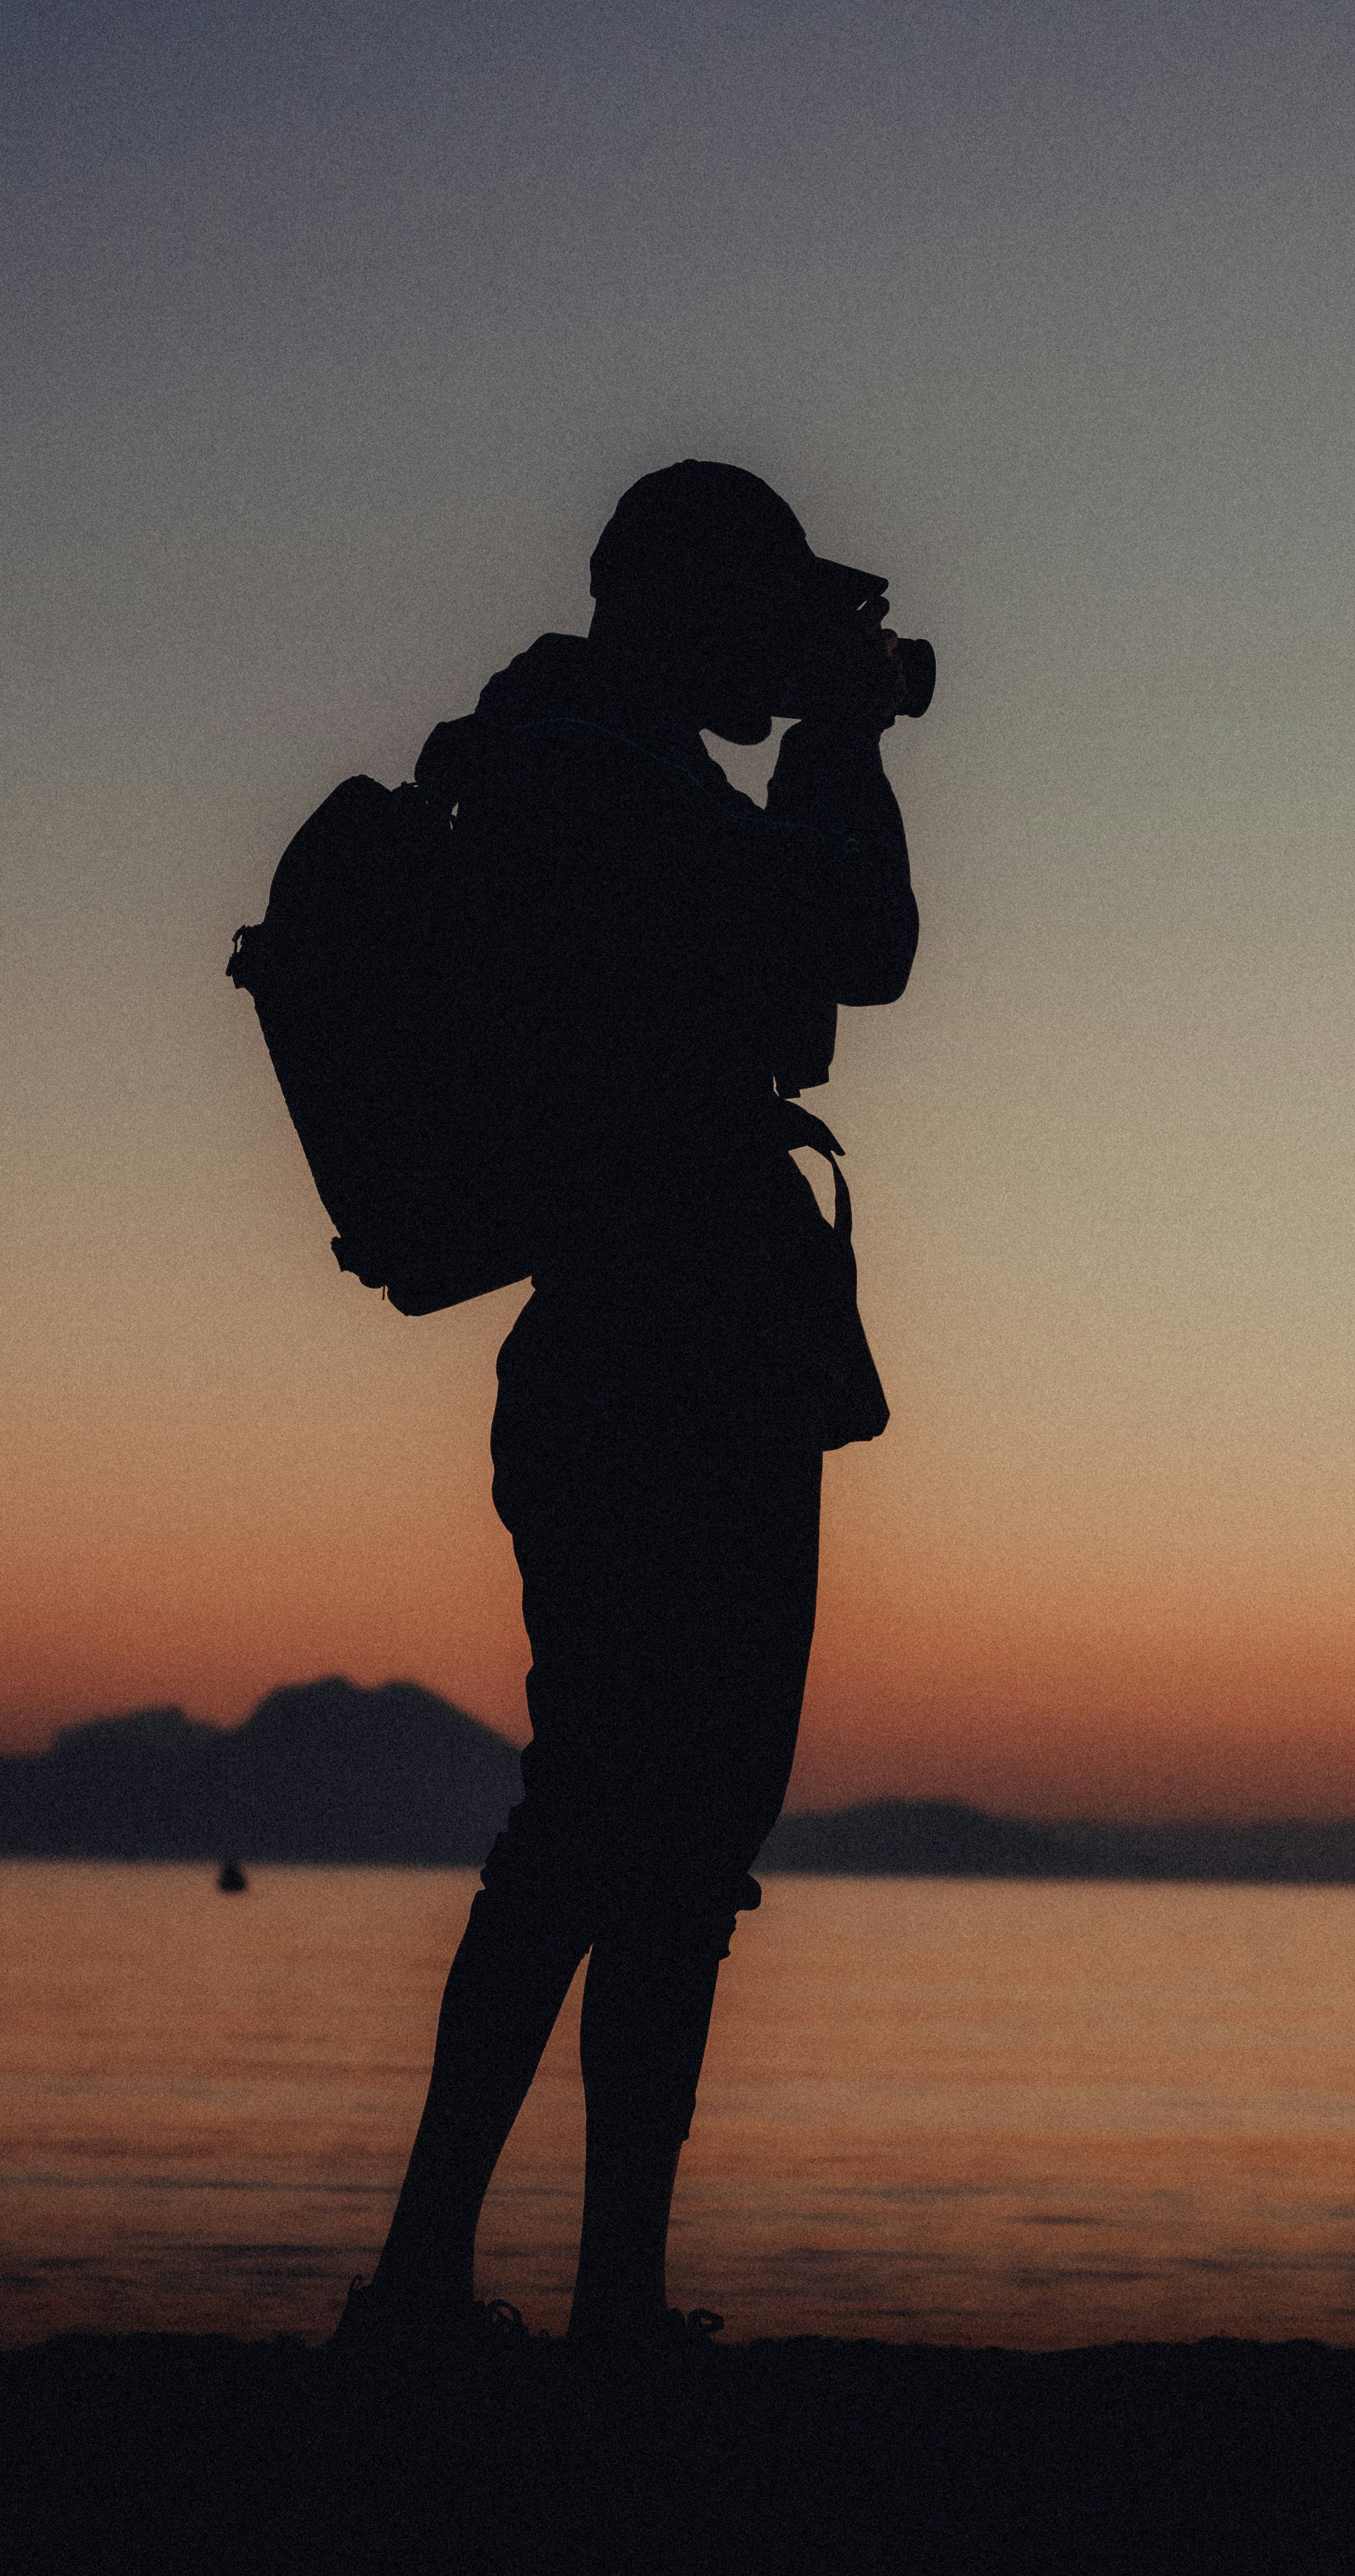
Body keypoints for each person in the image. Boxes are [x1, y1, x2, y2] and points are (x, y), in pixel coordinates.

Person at [333, 460, 920, 2358]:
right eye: (773, 613)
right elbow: (859, 945)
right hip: (664, 1350)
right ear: (680, 602)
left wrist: (823, 737)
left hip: (664, 1343)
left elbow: (823, 964)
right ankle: (457, 2286)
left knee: (653, 1831)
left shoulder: (579, 761)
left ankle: (575, 2294)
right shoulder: (587, 773)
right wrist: (842, 739)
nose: (796, 648)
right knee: (616, 1823)